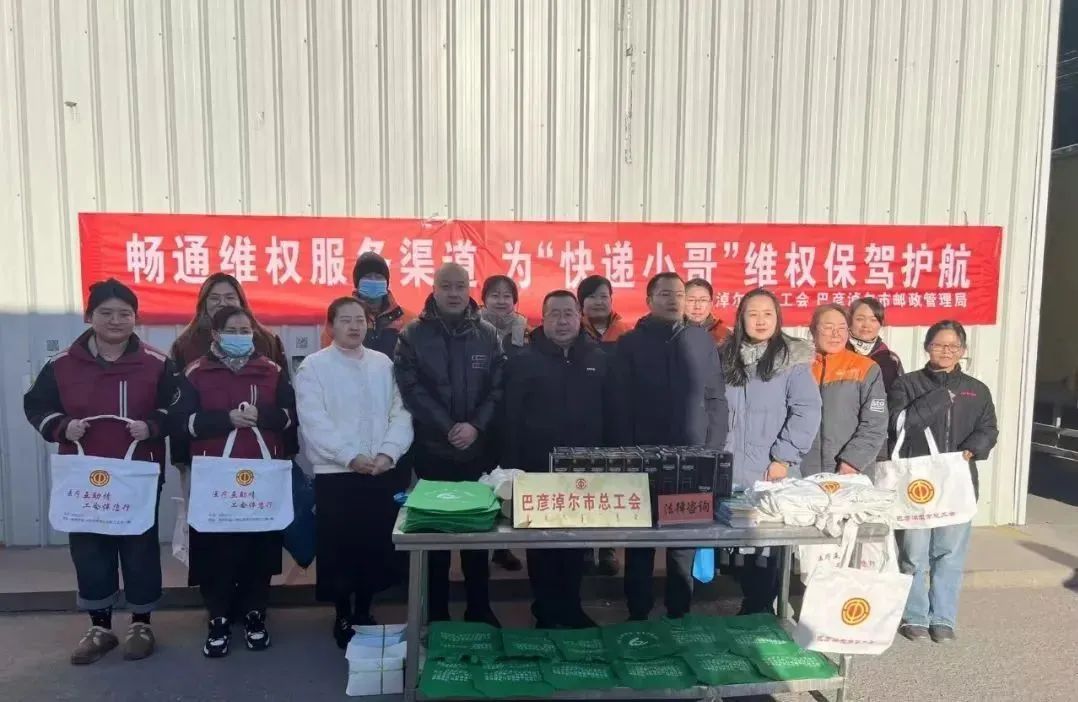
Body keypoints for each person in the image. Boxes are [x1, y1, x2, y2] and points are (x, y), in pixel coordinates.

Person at [23, 279, 176, 665]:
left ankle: (141, 623)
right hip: (84, 474)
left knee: (139, 547)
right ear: (89, 316)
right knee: (90, 548)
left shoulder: (157, 364)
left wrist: (152, 426)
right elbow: (37, 406)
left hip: (137, 473)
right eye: (106, 313)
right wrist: (62, 426)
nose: (116, 320)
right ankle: (100, 626)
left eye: (125, 313)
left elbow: (177, 407)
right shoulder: (61, 365)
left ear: (136, 318)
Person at [170, 306, 297, 658]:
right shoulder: (196, 372)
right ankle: (219, 617)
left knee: (260, 547)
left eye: (246, 330)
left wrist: (263, 416)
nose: (241, 336)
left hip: (261, 476)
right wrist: (225, 419)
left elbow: (290, 417)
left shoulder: (271, 371)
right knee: (217, 550)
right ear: (215, 334)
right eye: (232, 330)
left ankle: (256, 613)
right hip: (215, 479)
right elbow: (181, 422)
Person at [608, 273, 729, 620]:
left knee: (683, 543)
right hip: (642, 460)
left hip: (691, 457)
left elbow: (716, 398)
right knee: (640, 543)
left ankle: (679, 612)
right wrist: (626, 455)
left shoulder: (701, 340)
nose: (674, 300)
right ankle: (638, 613)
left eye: (679, 294)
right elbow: (619, 404)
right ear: (649, 301)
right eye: (664, 294)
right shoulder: (630, 344)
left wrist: (712, 448)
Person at [295, 298, 414, 649]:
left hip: (379, 470)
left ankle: (364, 609)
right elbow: (314, 420)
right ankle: (342, 614)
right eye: (345, 320)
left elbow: (401, 412)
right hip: (337, 474)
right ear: (331, 326)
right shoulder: (314, 367)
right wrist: (349, 456)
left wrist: (388, 452)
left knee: (373, 544)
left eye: (360, 320)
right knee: (339, 547)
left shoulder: (383, 364)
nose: (354, 326)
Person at [394, 263, 505, 627]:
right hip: (432, 450)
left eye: (460, 286)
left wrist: (475, 426)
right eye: (446, 286)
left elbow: (498, 388)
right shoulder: (413, 334)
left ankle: (480, 608)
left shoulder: (488, 334)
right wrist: (448, 427)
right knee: (435, 535)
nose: (454, 293)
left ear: (469, 288)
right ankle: (437, 611)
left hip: (478, 451)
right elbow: (411, 388)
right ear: (434, 289)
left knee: (479, 532)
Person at [503, 290, 607, 629]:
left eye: (568, 314)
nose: (562, 321)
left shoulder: (598, 358)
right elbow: (510, 419)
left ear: (579, 317)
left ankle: (572, 606)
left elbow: (611, 413)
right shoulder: (523, 361)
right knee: (541, 543)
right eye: (554, 314)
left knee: (577, 542)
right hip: (537, 467)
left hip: (584, 468)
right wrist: (512, 467)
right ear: (543, 319)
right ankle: (545, 609)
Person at [891, 320, 998, 644]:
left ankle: (943, 618)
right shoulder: (906, 384)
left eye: (953, 346)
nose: (946, 351)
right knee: (914, 554)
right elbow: (899, 425)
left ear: (963, 350)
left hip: (958, 483)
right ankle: (915, 616)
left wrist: (974, 448)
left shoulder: (976, 389)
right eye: (939, 345)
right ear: (927, 347)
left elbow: (988, 428)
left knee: (949, 553)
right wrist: (941, 395)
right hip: (918, 486)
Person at [720, 288, 821, 614]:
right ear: (741, 318)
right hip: (732, 467)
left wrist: (783, 457)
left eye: (768, 314)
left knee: (767, 547)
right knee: (741, 546)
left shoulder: (791, 360)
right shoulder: (726, 357)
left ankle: (760, 610)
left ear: (778, 319)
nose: (760, 321)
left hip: (771, 468)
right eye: (753, 314)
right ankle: (751, 608)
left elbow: (806, 410)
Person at [576, 274, 631, 577]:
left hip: (615, 421)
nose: (599, 302)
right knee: (583, 483)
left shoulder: (627, 335)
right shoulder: (572, 333)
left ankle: (608, 548)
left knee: (610, 484)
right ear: (581, 303)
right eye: (592, 296)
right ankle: (584, 548)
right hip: (583, 421)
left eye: (604, 296)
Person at [802, 303, 887, 476]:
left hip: (850, 473)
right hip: (803, 473)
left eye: (842, 328)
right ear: (813, 330)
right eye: (828, 327)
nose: (836, 334)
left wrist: (853, 461)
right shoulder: (798, 369)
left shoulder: (866, 368)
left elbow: (875, 423)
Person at [479, 274, 528, 573]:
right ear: (483, 299)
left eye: (506, 295)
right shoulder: (474, 330)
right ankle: (478, 545)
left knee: (507, 482)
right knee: (482, 481)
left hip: (512, 418)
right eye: (494, 295)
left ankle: (502, 547)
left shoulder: (525, 331)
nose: (501, 300)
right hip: (481, 417)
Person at [171, 272, 289, 371]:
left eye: (229, 297)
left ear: (241, 302)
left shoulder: (268, 341)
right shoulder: (185, 345)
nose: (222, 303)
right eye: (214, 298)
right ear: (204, 303)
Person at [319, 251, 415, 358]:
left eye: (378, 277)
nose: (373, 281)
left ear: (386, 282)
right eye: (368, 276)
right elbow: (327, 357)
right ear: (357, 283)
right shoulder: (339, 317)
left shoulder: (407, 319)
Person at [849, 297, 904, 394]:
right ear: (849, 321)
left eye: (873, 320)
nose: (866, 325)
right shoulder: (836, 354)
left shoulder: (891, 359)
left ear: (881, 324)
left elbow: (899, 395)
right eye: (860, 319)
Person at [684, 278, 731, 345]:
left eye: (703, 300)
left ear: (711, 304)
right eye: (691, 300)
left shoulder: (725, 336)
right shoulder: (671, 332)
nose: (697, 306)